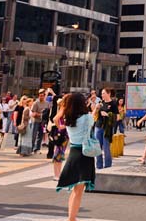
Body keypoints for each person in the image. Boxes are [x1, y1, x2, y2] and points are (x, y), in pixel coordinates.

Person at [55, 93, 96, 221]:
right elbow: (92, 120)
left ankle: (71, 217)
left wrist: (63, 108)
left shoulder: (68, 119)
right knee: (79, 190)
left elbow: (56, 119)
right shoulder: (87, 117)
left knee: (75, 189)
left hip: (73, 152)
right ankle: (71, 218)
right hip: (85, 154)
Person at [93, 88, 118, 169]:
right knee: (97, 146)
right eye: (102, 93)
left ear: (109, 93)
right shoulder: (100, 103)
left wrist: (107, 115)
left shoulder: (113, 104)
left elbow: (117, 117)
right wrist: (96, 108)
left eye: (103, 93)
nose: (102, 95)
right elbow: (94, 115)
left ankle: (107, 165)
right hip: (98, 126)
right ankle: (99, 165)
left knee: (106, 147)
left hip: (107, 128)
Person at [50, 98, 69, 181]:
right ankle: (57, 174)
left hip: (64, 134)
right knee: (58, 152)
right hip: (62, 133)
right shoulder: (63, 109)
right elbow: (55, 119)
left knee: (60, 153)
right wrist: (60, 126)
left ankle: (58, 174)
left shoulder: (65, 109)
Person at [30, 88, 51, 153]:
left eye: (42, 95)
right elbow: (33, 113)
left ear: (45, 96)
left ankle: (37, 149)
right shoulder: (36, 103)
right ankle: (31, 148)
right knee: (34, 135)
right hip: (36, 121)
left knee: (41, 135)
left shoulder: (47, 103)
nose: (41, 97)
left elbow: (48, 112)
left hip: (43, 122)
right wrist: (40, 114)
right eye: (40, 95)